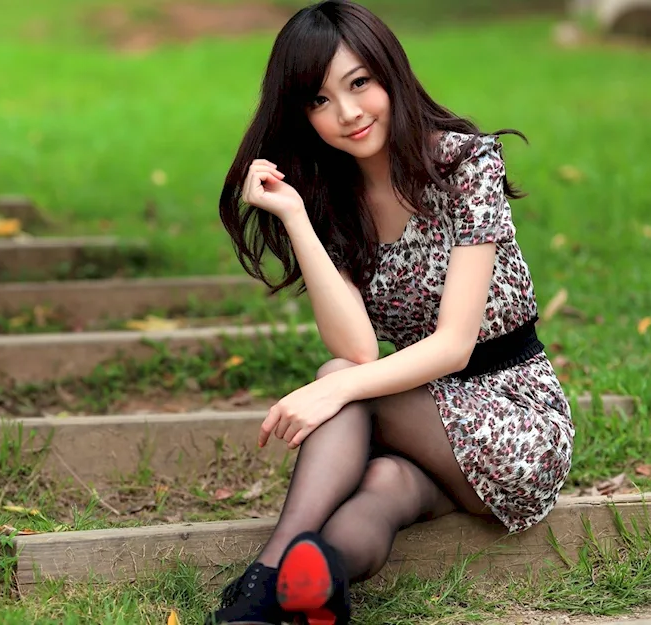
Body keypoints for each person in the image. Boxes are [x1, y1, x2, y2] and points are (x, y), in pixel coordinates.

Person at [207, 1, 575, 624]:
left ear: (390, 74)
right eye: (320, 100)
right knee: (383, 489)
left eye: (360, 84)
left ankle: (264, 579)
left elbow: (454, 346)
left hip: (514, 421)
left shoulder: (464, 165)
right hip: (423, 429)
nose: (348, 113)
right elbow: (359, 348)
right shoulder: (332, 197)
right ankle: (317, 582)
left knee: (336, 384)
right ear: (302, 114)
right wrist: (296, 216)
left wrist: (339, 388)